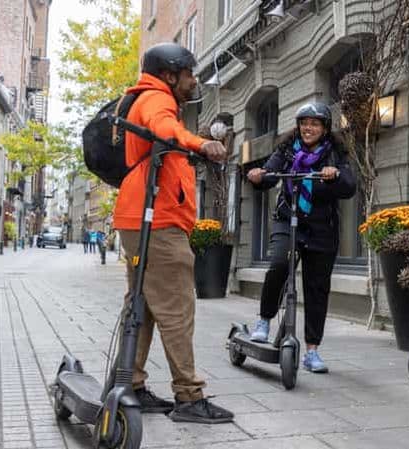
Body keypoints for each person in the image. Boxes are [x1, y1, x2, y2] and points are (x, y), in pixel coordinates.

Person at [112, 42, 232, 424]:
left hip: (141, 218)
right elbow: (165, 129)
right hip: (158, 222)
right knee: (177, 309)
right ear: (170, 75)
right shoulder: (156, 100)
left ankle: (129, 383)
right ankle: (189, 396)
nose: (194, 80)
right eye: (190, 73)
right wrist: (202, 143)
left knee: (143, 306)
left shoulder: (148, 98)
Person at [246, 101, 356, 374]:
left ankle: (312, 351)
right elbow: (270, 176)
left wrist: (335, 175)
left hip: (322, 228)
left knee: (317, 288)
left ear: (325, 128)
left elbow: (349, 187)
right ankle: (264, 321)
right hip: (289, 220)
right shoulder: (286, 149)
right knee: (279, 266)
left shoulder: (335, 153)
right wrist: (258, 175)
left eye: (315, 124)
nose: (308, 128)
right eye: (304, 123)